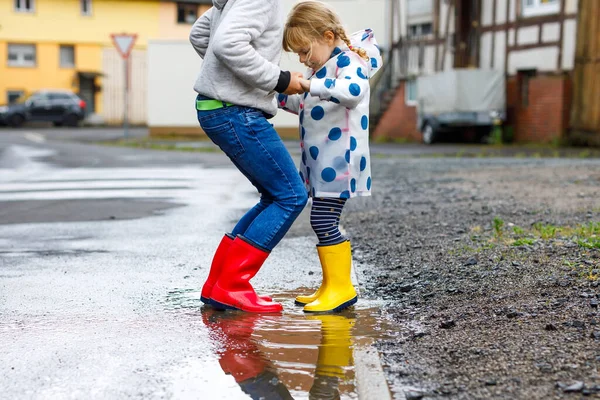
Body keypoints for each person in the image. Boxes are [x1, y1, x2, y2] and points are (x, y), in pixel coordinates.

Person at [190, 0, 308, 313]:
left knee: (274, 195)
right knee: (291, 195)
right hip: (235, 112)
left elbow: (200, 36)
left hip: (218, 108)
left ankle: (219, 283)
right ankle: (232, 285)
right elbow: (227, 44)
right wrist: (279, 79)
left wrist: (231, 79)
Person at [278, 1, 382, 313]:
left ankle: (341, 288)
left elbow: (353, 91)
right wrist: (283, 94)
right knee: (324, 220)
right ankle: (330, 285)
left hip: (340, 162)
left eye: (304, 50)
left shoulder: (348, 62)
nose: (302, 58)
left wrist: (310, 83)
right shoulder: (321, 70)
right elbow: (308, 105)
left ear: (326, 36)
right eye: (297, 54)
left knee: (322, 219)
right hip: (323, 163)